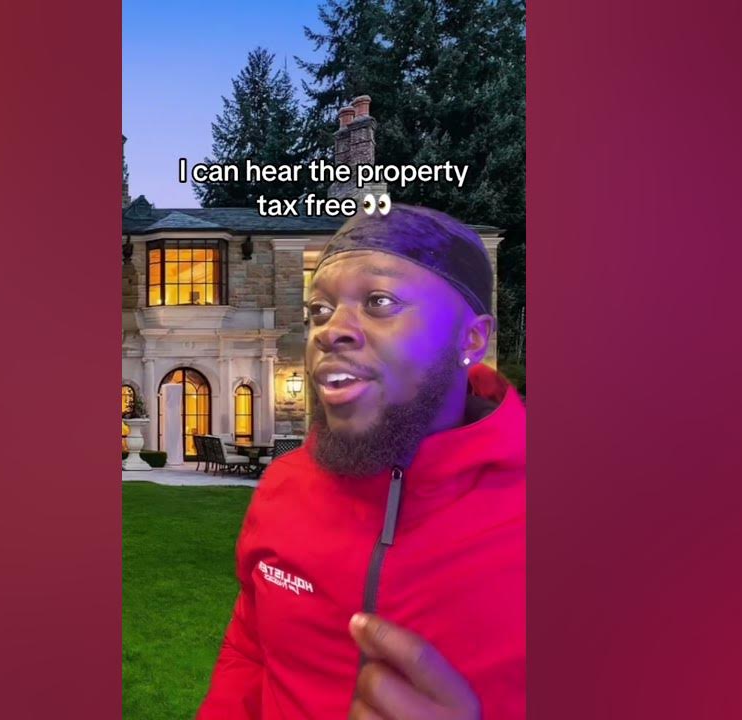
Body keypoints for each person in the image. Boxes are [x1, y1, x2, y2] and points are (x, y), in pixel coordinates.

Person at [197, 204, 526, 719]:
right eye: (319, 310)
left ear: (472, 339)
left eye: (379, 301)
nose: (329, 331)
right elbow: (251, 649)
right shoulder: (283, 486)